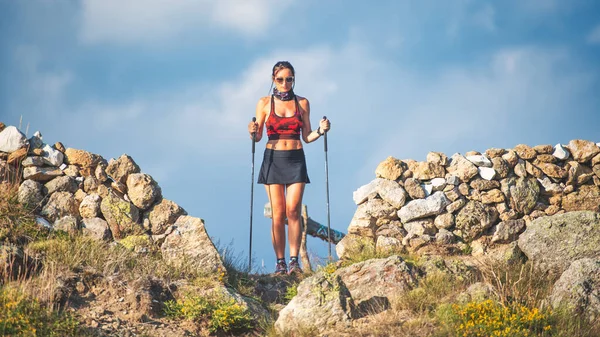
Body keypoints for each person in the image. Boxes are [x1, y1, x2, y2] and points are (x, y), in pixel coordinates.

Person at [248, 61, 331, 275]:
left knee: (293, 210)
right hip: (273, 158)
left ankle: (294, 262)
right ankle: (280, 262)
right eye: (280, 79)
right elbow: (257, 138)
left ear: (294, 79)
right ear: (273, 80)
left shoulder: (302, 103)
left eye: (289, 79)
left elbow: (307, 136)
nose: (285, 83)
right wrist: (252, 130)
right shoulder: (264, 103)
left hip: (295, 158)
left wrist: (321, 131)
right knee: (278, 213)